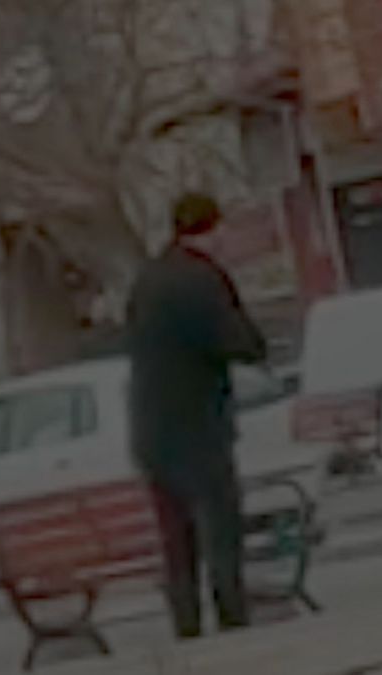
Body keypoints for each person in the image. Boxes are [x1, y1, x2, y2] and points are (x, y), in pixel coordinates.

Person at [126, 193, 267, 639]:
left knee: (176, 538)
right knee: (220, 528)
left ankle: (186, 626)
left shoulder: (148, 278)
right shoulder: (203, 280)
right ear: (213, 228)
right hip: (199, 427)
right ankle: (232, 619)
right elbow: (243, 343)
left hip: (152, 432)